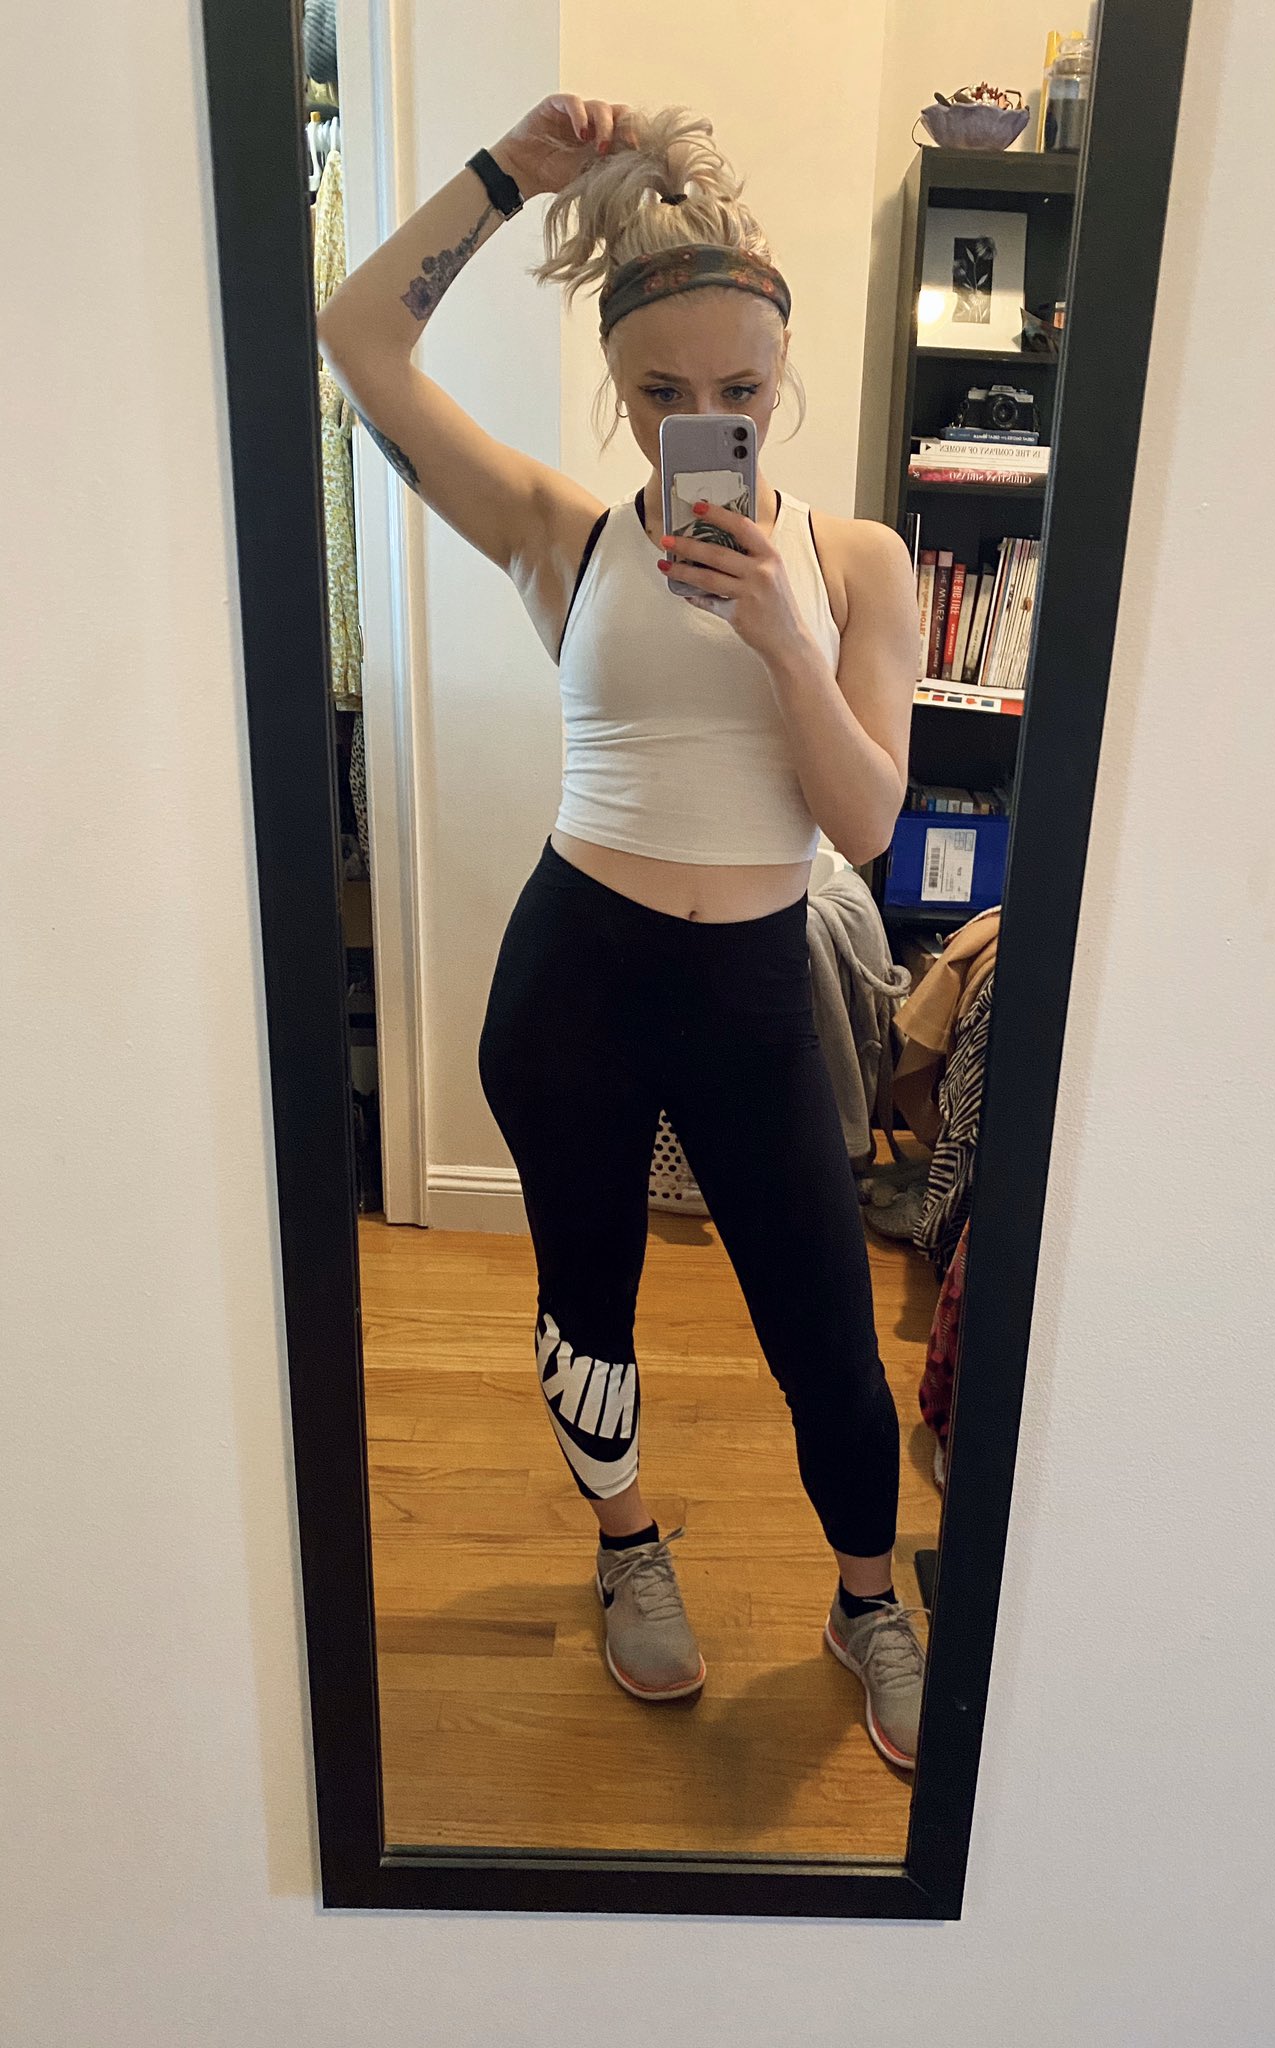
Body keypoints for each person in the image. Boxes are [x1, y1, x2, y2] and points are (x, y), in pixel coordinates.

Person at [317, 95, 927, 1769]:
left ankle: (868, 1599)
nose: (703, 421)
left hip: (755, 989)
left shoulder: (859, 563)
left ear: (783, 380)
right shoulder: (561, 533)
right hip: (575, 977)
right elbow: (358, 340)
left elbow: (868, 825)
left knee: (825, 1328)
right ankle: (628, 1548)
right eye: (663, 396)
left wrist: (787, 639)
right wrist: (509, 175)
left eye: (740, 392)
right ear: (617, 389)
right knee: (587, 1300)